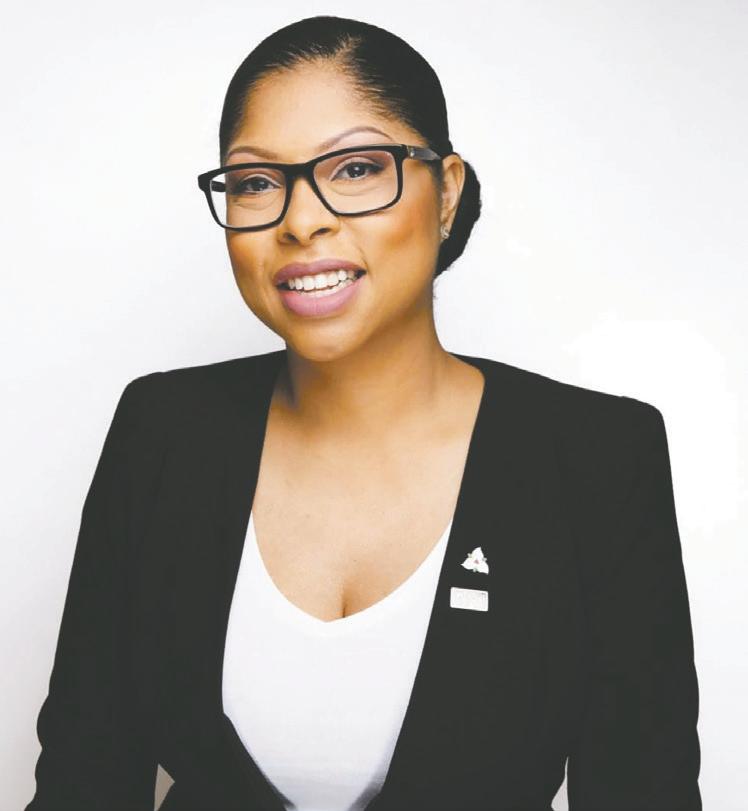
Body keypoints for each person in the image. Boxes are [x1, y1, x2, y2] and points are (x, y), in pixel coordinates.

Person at [25, 14, 702, 811]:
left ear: (446, 191)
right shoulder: (163, 431)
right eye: (255, 181)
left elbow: (643, 791)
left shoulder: (597, 457)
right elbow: (82, 782)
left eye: (354, 168)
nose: (299, 220)